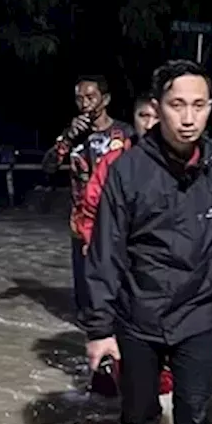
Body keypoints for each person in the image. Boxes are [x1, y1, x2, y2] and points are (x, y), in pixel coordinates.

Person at [80, 60, 212, 424]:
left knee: (195, 418)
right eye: (177, 105)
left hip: (197, 311)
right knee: (137, 416)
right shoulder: (127, 170)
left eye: (200, 105)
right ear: (158, 107)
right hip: (138, 313)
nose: (189, 118)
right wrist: (99, 329)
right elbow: (105, 251)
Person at [41, 76, 134, 317]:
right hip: (81, 224)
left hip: (118, 222)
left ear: (106, 99)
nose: (85, 104)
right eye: (79, 98)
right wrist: (68, 138)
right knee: (85, 294)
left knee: (120, 288)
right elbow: (48, 167)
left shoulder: (124, 134)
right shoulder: (72, 135)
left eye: (91, 97)